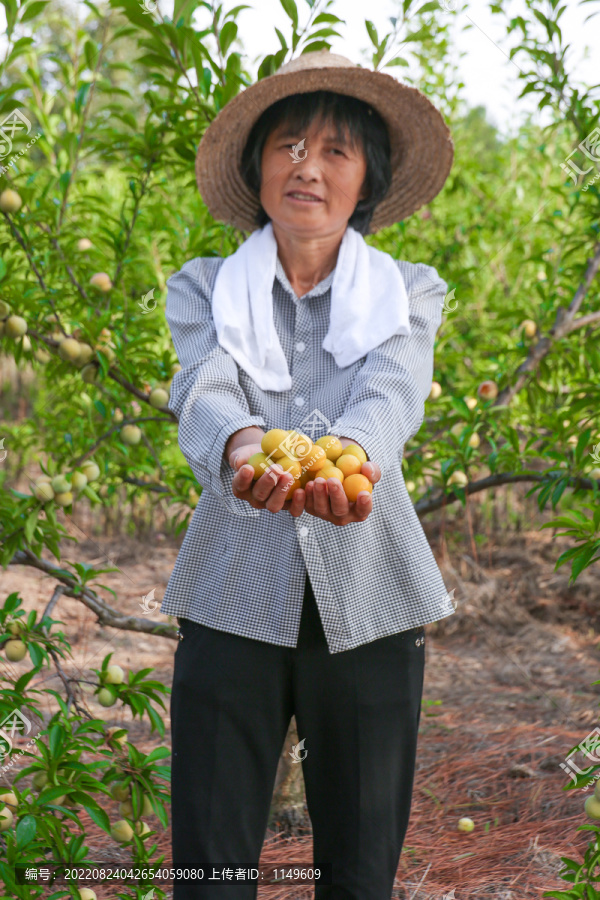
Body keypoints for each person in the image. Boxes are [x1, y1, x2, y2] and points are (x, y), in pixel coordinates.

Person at [160, 49, 456, 900]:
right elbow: (204, 386)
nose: (308, 169)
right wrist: (243, 447)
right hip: (232, 596)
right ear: (258, 167)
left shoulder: (408, 290)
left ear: (367, 181)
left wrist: (350, 457)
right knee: (210, 871)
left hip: (369, 603)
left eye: (335, 152)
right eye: (289, 146)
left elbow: (392, 393)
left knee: (358, 873)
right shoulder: (205, 288)